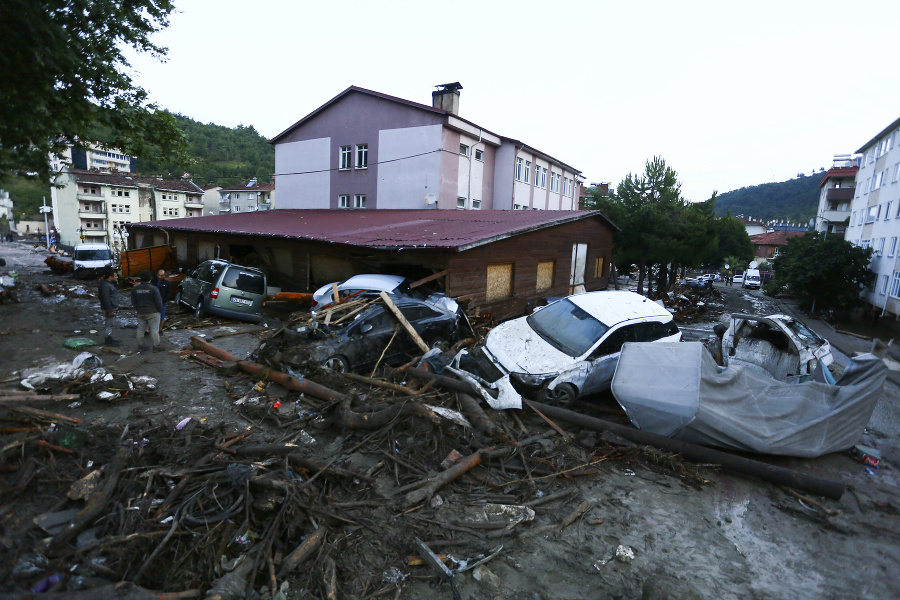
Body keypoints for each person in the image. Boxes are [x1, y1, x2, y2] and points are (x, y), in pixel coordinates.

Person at [132, 270, 164, 352]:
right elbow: (159, 302)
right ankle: (156, 347)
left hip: (141, 312)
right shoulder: (154, 289)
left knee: (140, 329)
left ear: (141, 278)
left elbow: (133, 301)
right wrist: (159, 311)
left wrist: (138, 309)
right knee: (154, 330)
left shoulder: (135, 289)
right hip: (153, 312)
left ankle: (141, 346)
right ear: (150, 278)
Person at [98, 267, 120, 346]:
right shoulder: (105, 286)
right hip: (109, 308)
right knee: (109, 324)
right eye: (115, 276)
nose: (117, 277)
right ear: (110, 277)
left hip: (110, 307)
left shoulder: (107, 284)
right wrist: (110, 310)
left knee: (110, 324)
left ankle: (110, 338)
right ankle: (108, 340)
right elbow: (105, 298)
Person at [150, 269, 172, 334]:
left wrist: (163, 300)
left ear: (164, 276)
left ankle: (160, 329)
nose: (159, 277)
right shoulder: (153, 281)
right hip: (152, 302)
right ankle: (148, 329)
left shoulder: (167, 283)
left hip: (162, 302)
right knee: (151, 315)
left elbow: (169, 294)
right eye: (158, 275)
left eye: (161, 276)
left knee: (162, 316)